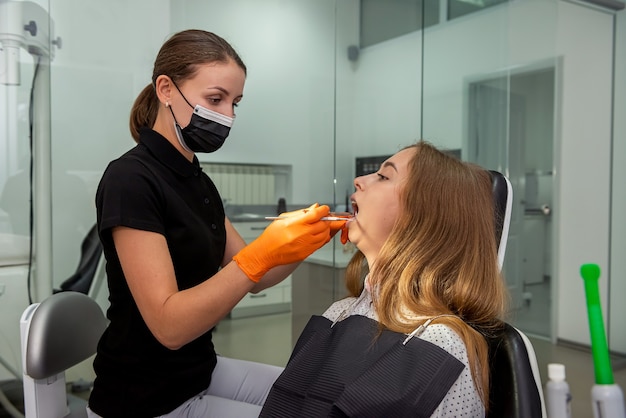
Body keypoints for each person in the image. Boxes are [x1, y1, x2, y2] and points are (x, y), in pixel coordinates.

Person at [87, 29, 341, 418]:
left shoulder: (197, 181)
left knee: (311, 397)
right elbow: (169, 326)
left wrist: (308, 238)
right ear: (166, 89)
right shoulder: (131, 179)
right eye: (215, 99)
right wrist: (258, 256)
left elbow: (258, 279)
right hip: (143, 397)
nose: (228, 116)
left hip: (196, 371)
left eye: (235, 103)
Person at [259, 141, 509, 417]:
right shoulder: (340, 312)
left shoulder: (439, 343)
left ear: (423, 216)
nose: (358, 181)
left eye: (383, 176)